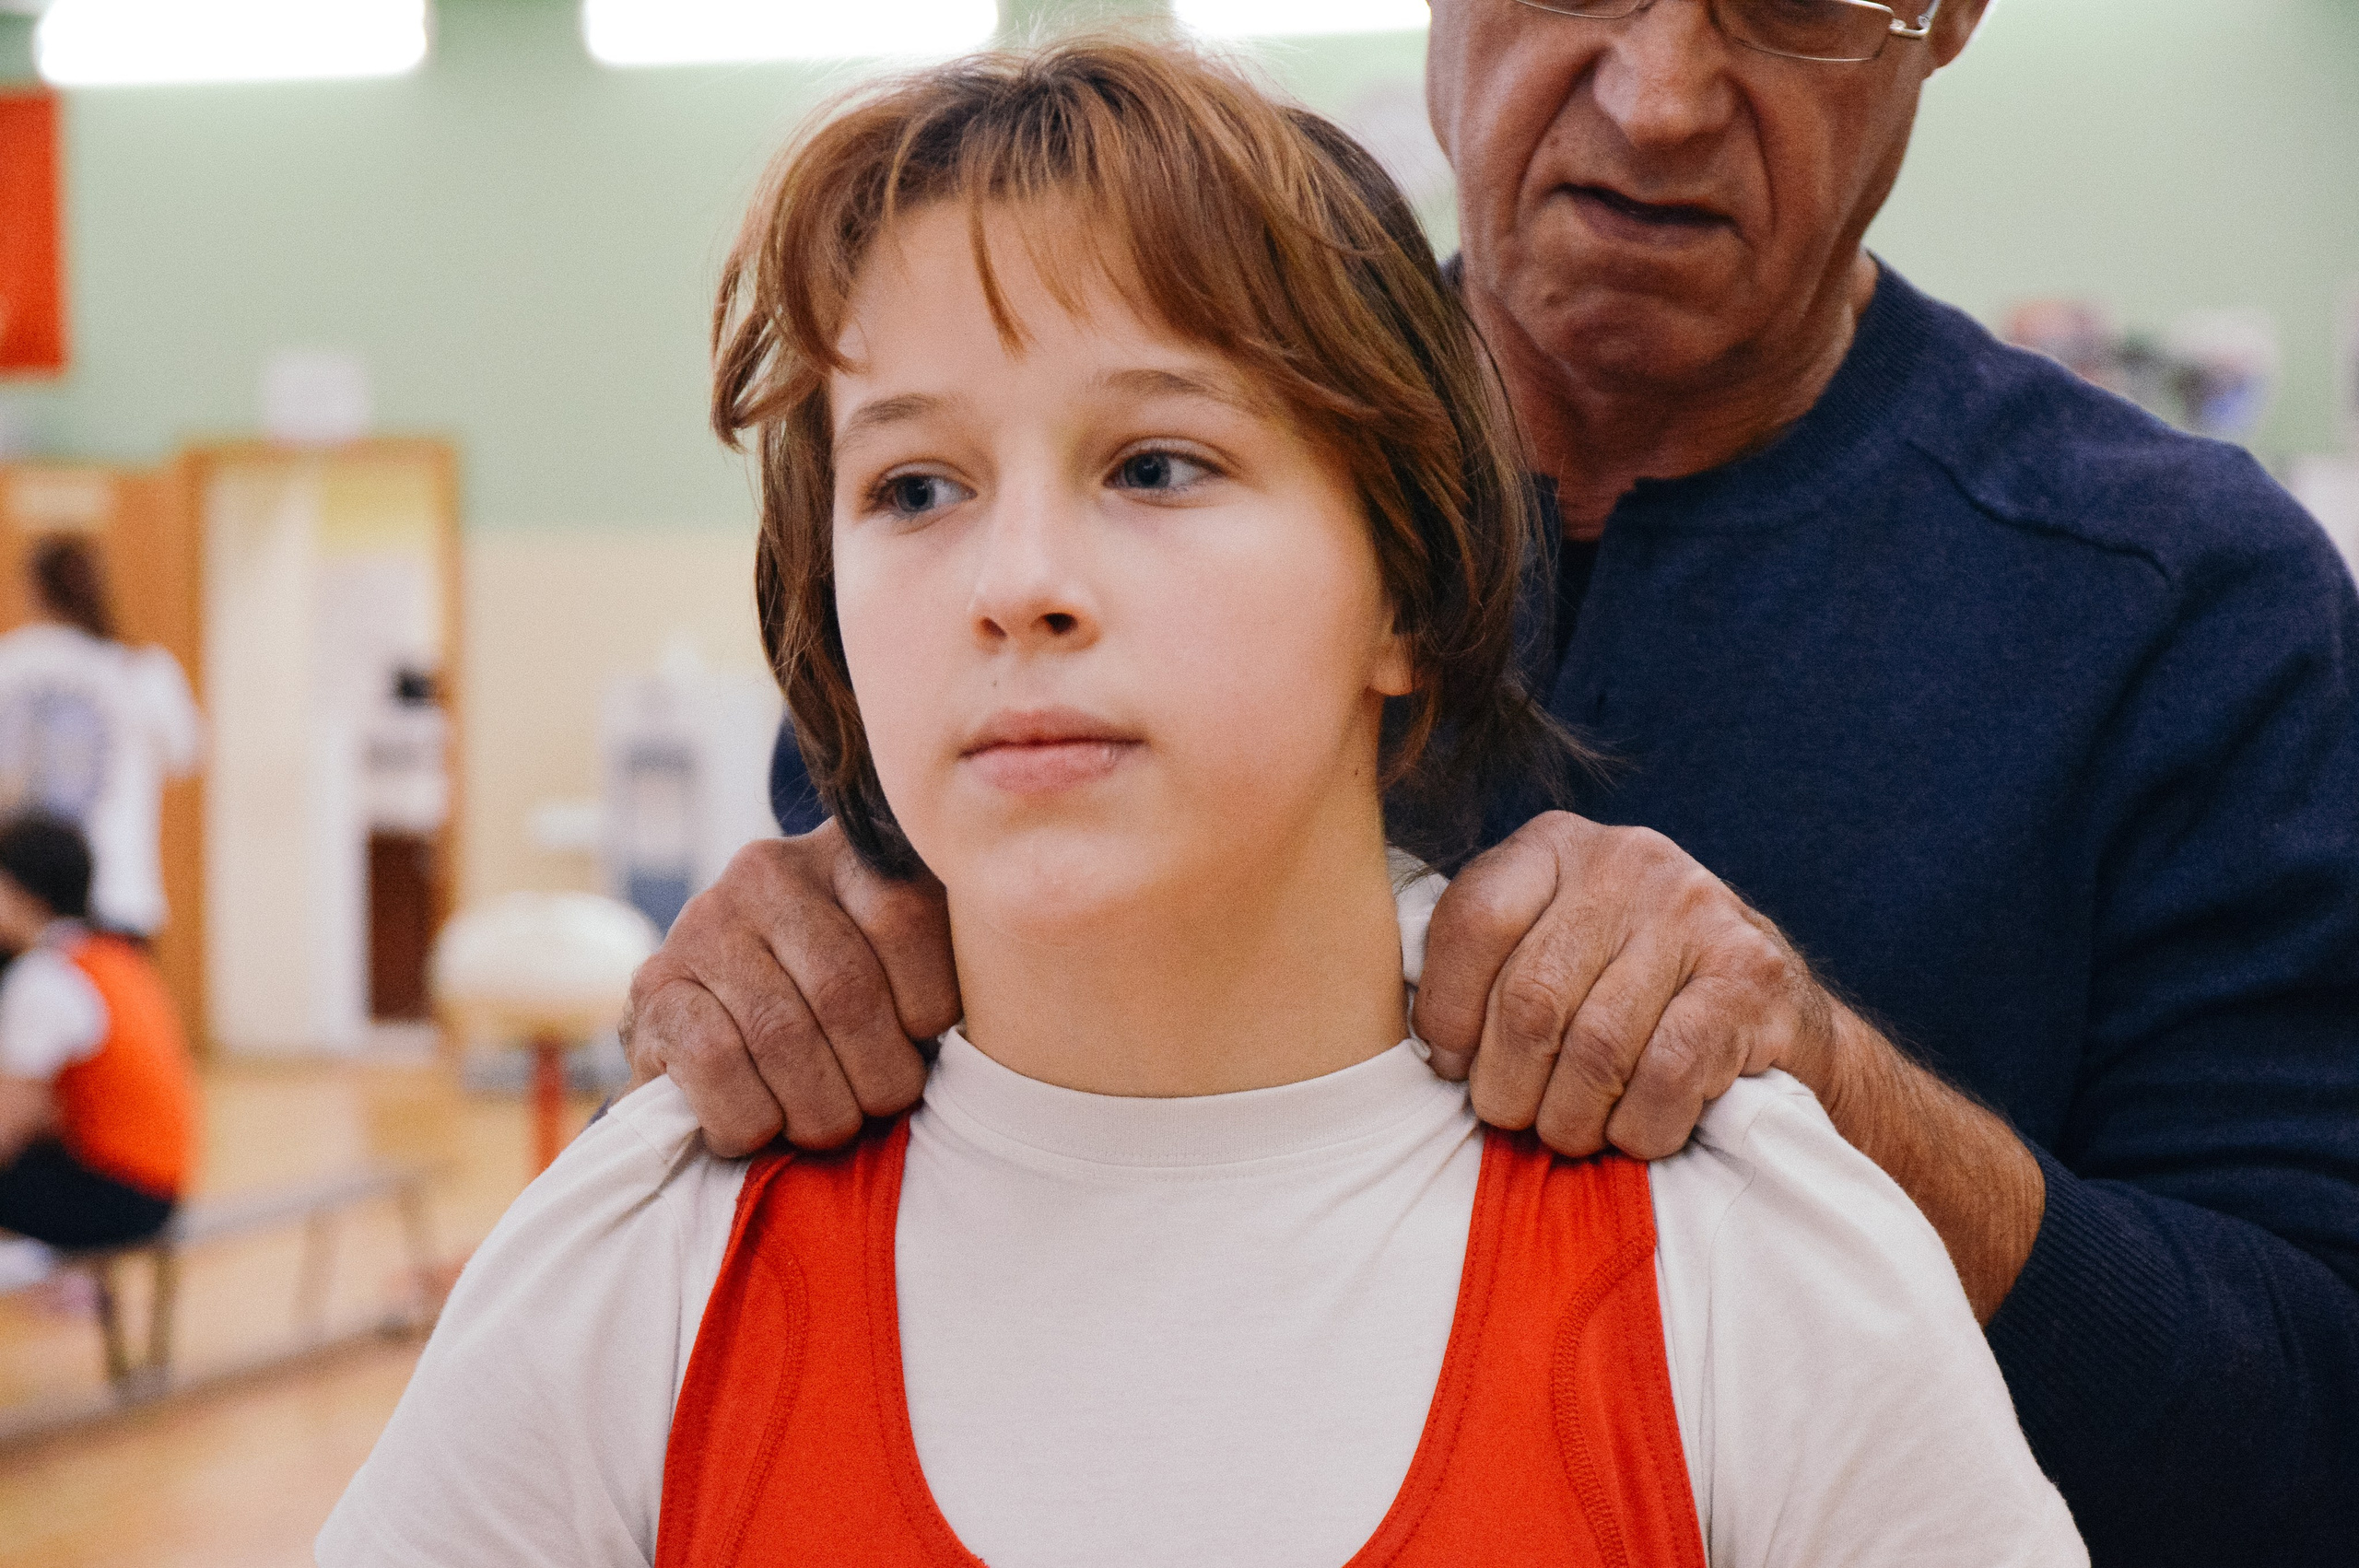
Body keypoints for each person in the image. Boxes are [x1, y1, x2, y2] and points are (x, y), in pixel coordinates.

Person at [627, 3, 2359, 1563]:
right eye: (920, 489)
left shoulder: (2188, 607)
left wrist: (1830, 1088)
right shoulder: (1017, 612)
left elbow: (2305, 1439)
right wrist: (782, 961)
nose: (1663, 92)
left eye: (1794, 5)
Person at [319, 44, 2081, 1567]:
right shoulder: (645, 1258)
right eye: (916, 484)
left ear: (1405, 581)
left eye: (1155, 464)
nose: (1017, 582)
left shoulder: (1749, 1252)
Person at [0, 815, 197, 1249]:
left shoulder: (46, 976)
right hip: (158, 1184)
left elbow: (7, 1123)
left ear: (22, 895)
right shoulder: (112, 957)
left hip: (118, 1193)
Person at [0, 532, 203, 939]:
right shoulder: (138, 670)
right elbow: (188, 753)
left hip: (18, 903)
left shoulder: (8, 665)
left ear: (33, 589)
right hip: (118, 890)